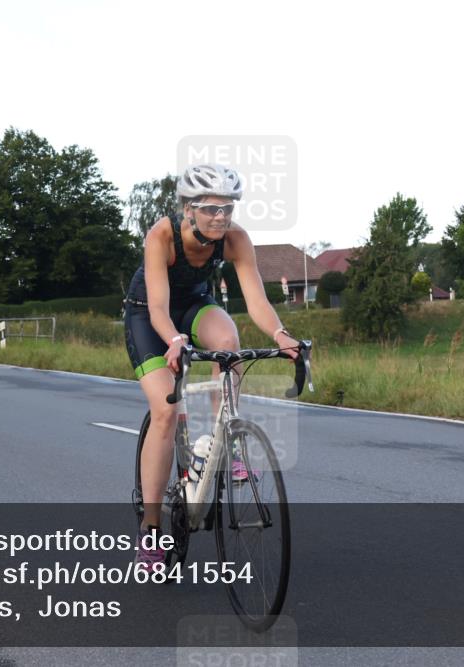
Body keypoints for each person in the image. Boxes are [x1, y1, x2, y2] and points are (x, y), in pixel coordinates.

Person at [123, 164, 300, 571]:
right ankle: (151, 532)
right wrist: (173, 340)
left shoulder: (235, 240)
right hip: (149, 318)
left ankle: (226, 437)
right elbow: (157, 308)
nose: (221, 217)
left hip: (196, 306)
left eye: (227, 208)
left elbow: (256, 300)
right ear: (188, 209)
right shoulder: (162, 236)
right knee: (166, 411)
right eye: (209, 209)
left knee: (228, 343)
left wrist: (280, 334)